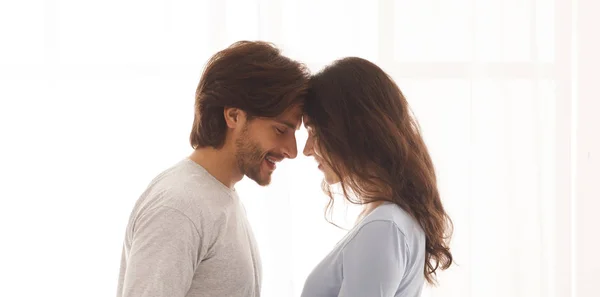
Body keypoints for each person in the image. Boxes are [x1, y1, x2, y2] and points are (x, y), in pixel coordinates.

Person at [116, 41, 309, 297]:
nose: (291, 151)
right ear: (233, 116)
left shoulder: (219, 198)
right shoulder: (179, 207)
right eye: (280, 130)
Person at [300, 57, 453, 297]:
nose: (307, 149)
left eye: (314, 131)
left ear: (349, 129)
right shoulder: (386, 219)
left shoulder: (384, 226)